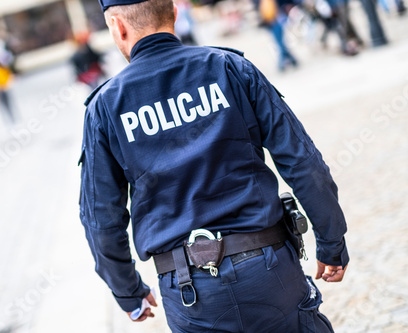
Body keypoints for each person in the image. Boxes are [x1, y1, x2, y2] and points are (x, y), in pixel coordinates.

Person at [78, 0, 349, 331]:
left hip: (189, 292)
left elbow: (101, 218)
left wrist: (128, 291)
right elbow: (302, 161)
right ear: (174, 14)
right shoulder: (229, 67)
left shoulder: (105, 108)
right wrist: (331, 242)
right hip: (269, 268)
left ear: (118, 26)